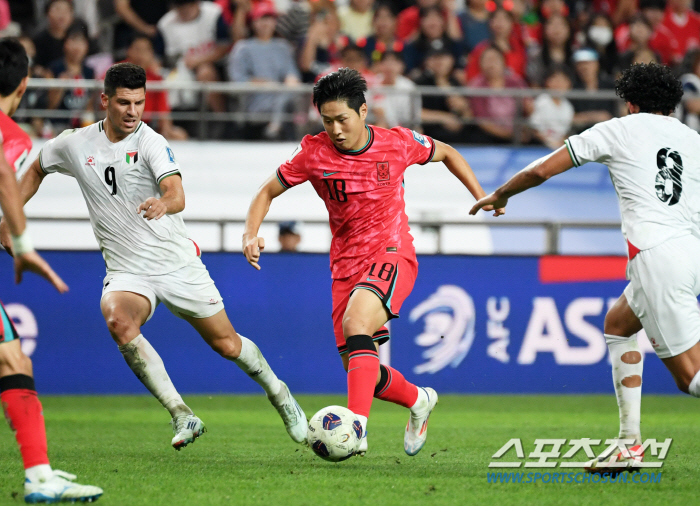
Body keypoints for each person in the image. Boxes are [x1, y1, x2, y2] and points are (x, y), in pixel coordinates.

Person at [0, 63, 307, 452]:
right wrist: (10, 220)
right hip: (127, 270)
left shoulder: (150, 142)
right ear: (105, 100)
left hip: (176, 262)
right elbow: (37, 168)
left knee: (227, 345)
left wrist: (163, 203)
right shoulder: (75, 143)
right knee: (117, 318)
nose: (133, 111)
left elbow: (177, 193)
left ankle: (279, 394)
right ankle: (181, 413)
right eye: (124, 102)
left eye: (140, 103)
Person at [242, 67, 504, 456]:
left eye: (342, 119)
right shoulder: (313, 153)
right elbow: (267, 190)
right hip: (345, 266)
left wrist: (482, 194)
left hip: (392, 252)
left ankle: (355, 428)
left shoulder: (397, 143)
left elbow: (446, 152)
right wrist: (251, 233)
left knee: (356, 324)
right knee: (362, 371)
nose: (335, 129)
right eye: (327, 120)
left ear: (363, 111)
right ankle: (419, 400)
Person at [471, 62, 700, 472]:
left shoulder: (618, 129)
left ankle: (630, 447)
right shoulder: (692, 139)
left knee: (691, 378)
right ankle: (629, 446)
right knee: (618, 324)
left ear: (630, 103)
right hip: (690, 253)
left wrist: (501, 194)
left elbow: (542, 168)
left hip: (656, 255)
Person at [0, 37, 103, 504]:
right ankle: (39, 476)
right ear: (24, 86)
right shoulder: (13, 137)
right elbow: (5, 178)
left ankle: (40, 473)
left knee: (11, 357)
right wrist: (21, 242)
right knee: (11, 359)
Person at [228, 2, 301, 139]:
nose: (266, 23)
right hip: (254, 102)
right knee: (278, 93)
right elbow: (237, 80)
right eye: (262, 19)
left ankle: (275, 127)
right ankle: (275, 127)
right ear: (253, 22)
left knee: (288, 94)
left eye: (270, 19)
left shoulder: (283, 47)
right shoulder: (243, 48)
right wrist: (264, 83)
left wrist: (290, 80)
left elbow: (292, 75)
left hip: (281, 100)